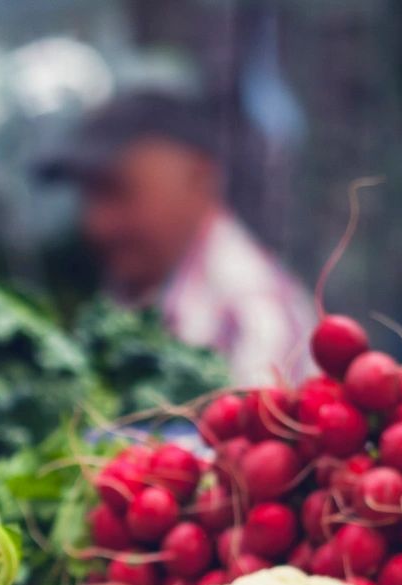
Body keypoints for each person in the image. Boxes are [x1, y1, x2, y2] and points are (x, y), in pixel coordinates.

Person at [39, 91, 315, 387]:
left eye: (116, 190)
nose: (95, 224)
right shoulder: (134, 293)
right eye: (87, 196)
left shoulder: (255, 320)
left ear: (200, 177)